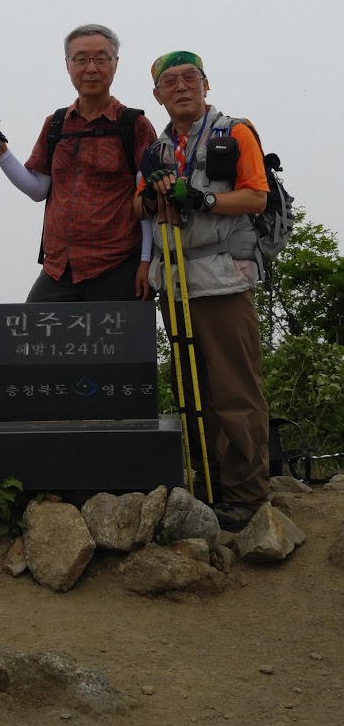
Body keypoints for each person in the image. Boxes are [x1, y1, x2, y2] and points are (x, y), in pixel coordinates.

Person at [134, 50, 270, 531]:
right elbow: (138, 209)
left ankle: (247, 495)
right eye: (169, 81)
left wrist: (201, 197)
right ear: (157, 95)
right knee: (193, 390)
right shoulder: (156, 149)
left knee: (235, 388)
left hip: (224, 279)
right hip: (176, 284)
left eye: (189, 77)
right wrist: (150, 194)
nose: (181, 87)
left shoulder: (234, 133)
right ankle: (206, 487)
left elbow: (256, 196)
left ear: (206, 84)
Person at [0, 24, 157, 303]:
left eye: (101, 58)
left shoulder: (134, 124)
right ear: (67, 65)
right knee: (31, 328)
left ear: (115, 64)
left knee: (119, 336)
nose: (91, 68)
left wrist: (145, 260)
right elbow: (38, 189)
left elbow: (147, 200)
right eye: (81, 59)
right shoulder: (56, 124)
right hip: (59, 267)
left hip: (119, 265)